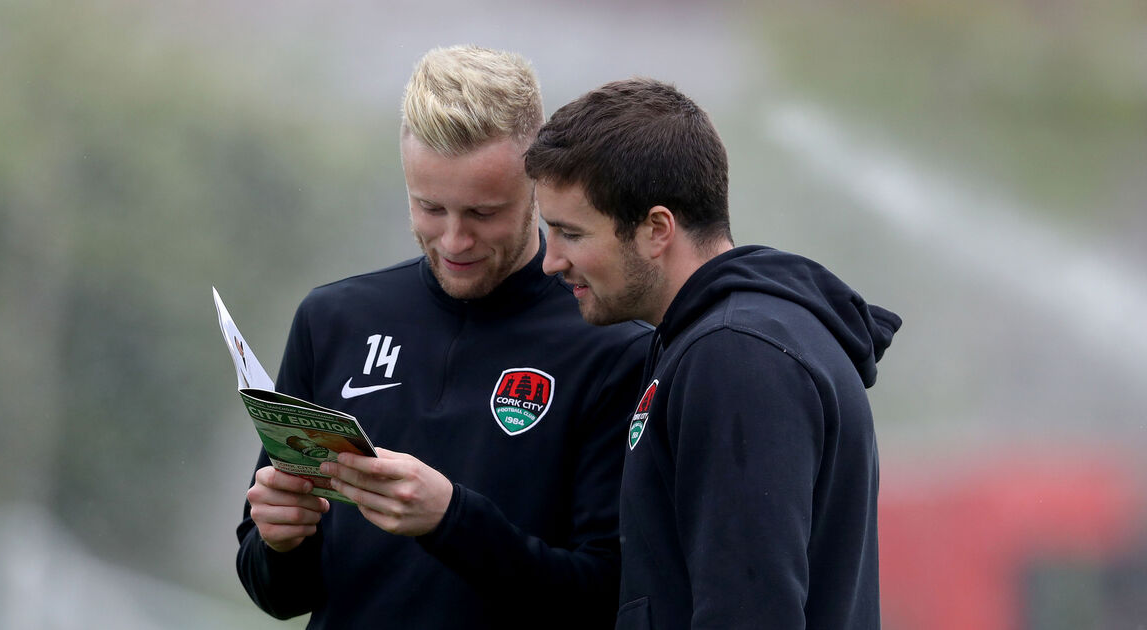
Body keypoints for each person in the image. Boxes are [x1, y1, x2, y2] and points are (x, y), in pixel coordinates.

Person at [234, 46, 651, 630]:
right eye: (430, 207)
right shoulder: (333, 321)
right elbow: (278, 595)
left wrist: (451, 519)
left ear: (537, 187)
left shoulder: (614, 346)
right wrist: (278, 541)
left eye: (484, 213)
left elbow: (608, 596)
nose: (454, 241)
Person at [525, 78, 902, 629]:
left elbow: (749, 613)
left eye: (570, 233)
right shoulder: (721, 340)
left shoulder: (735, 357)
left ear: (657, 229)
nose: (550, 260)